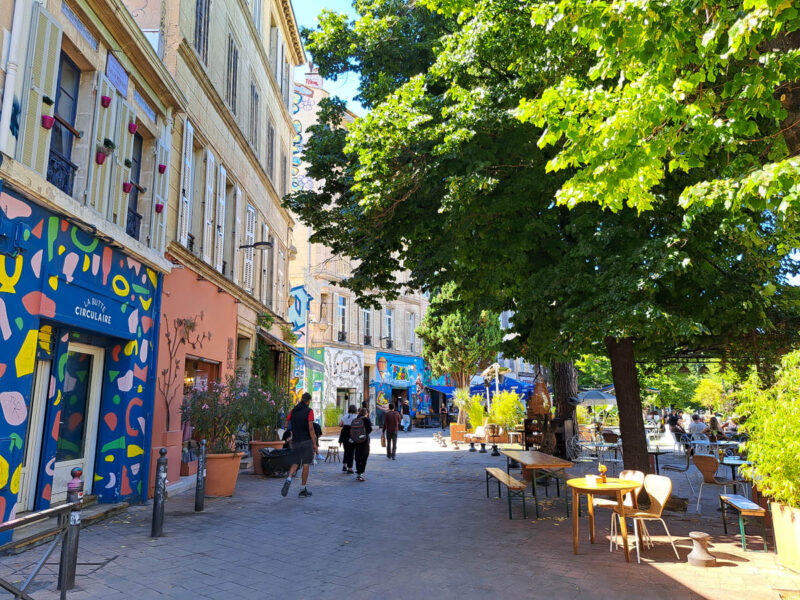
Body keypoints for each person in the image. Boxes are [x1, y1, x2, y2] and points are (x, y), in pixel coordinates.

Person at [281, 393, 318, 498]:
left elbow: (286, 425)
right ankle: (302, 489)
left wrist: (292, 432)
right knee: (306, 464)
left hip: (296, 441)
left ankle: (288, 478)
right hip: (306, 441)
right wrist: (315, 444)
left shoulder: (293, 411)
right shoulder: (309, 411)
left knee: (296, 462)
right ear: (308, 401)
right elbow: (311, 429)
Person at [352, 407, 373, 481]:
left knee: (357, 456)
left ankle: (358, 471)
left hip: (356, 440)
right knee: (364, 456)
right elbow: (370, 430)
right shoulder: (366, 420)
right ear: (366, 413)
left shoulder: (355, 420)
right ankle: (361, 472)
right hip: (364, 440)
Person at [339, 404, 358, 474]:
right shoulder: (356, 417)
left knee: (346, 450)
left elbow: (340, 424)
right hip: (351, 435)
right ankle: (350, 468)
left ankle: (344, 465)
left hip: (344, 435)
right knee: (351, 452)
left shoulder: (345, 416)